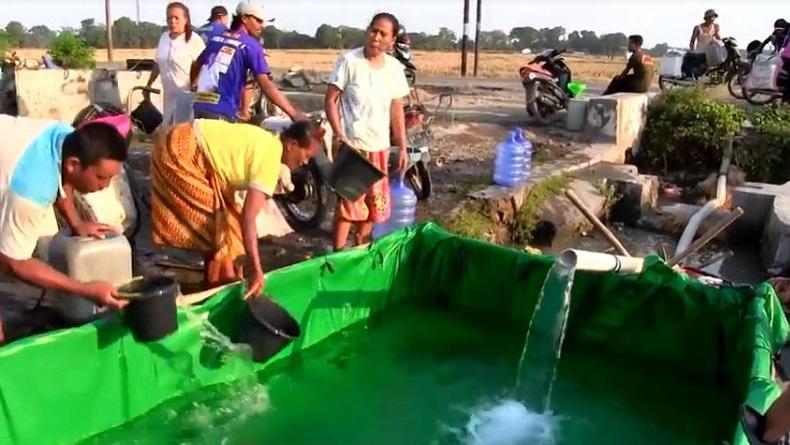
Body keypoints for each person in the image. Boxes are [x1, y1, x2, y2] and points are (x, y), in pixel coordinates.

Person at [150, 119, 319, 296]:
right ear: (292, 145)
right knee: (220, 231)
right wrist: (256, 269)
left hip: (191, 144)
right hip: (181, 149)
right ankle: (219, 289)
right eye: (306, 156)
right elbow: (248, 217)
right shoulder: (270, 159)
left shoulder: (272, 142)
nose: (305, 163)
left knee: (230, 226)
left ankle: (218, 283)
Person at [0, 116, 129, 341]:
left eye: (111, 178)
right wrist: (86, 289)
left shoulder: (66, 136)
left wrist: (76, 223)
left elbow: (63, 180)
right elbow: (14, 262)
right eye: (101, 177)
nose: (105, 186)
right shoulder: (31, 191)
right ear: (74, 164)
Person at [325, 13, 410, 251]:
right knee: (347, 208)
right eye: (374, 30)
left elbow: (396, 110)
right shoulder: (349, 61)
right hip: (354, 148)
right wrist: (340, 135)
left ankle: (360, 252)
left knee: (373, 208)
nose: (376, 37)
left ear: (392, 40)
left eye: (383, 34)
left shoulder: (394, 68)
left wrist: (402, 147)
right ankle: (338, 256)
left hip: (380, 149)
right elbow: (330, 100)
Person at [191, 1, 303, 123]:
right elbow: (266, 84)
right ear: (244, 18)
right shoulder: (251, 45)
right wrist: (294, 114)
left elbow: (196, 65)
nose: (262, 26)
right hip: (221, 114)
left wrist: (193, 85)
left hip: (198, 108)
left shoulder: (217, 39)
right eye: (258, 21)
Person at [145, 2, 205, 126]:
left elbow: (203, 66)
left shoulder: (194, 40)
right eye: (169, 18)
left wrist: (195, 85)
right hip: (168, 96)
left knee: (182, 130)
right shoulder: (164, 38)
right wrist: (149, 84)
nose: (173, 21)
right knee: (167, 127)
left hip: (186, 96)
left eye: (176, 18)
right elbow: (158, 63)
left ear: (186, 19)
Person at [684, 9, 721, 78]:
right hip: (700, 52)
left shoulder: (715, 27)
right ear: (706, 18)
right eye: (712, 17)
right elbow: (692, 41)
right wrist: (693, 51)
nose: (713, 19)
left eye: (714, 17)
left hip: (710, 52)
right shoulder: (698, 28)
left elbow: (718, 38)